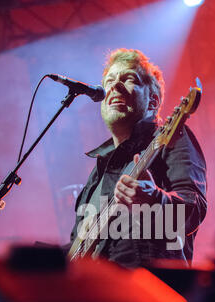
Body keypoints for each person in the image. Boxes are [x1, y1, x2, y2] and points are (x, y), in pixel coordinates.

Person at [69, 48, 207, 268]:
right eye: (109, 81)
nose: (114, 86)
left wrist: (153, 198)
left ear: (153, 102)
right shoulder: (98, 171)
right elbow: (74, 249)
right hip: (98, 294)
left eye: (128, 78)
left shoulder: (172, 138)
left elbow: (195, 209)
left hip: (147, 289)